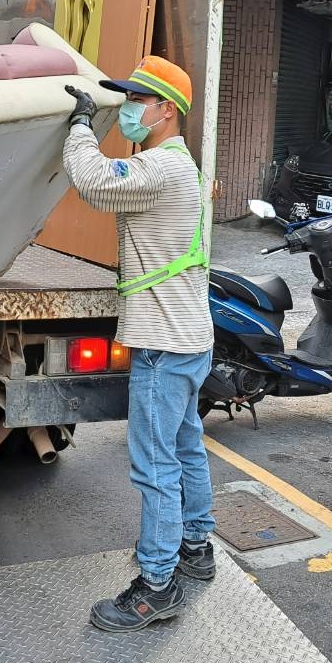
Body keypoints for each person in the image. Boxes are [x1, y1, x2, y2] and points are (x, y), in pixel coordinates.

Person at [63, 56, 215, 632]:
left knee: (155, 467)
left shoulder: (161, 168)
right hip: (189, 339)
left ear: (165, 111)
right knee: (186, 449)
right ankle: (196, 550)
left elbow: (96, 182)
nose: (128, 109)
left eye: (135, 101)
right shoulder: (185, 169)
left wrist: (80, 126)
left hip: (161, 343)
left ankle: (156, 585)